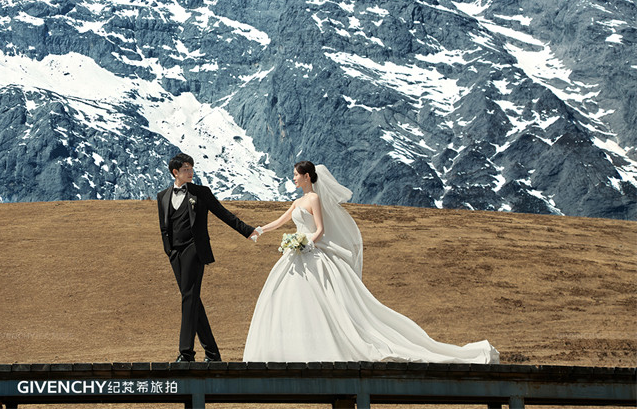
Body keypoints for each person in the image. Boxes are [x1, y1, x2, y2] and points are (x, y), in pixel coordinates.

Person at [243, 160, 499, 364]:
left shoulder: (314, 200)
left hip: (310, 252)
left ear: (307, 176)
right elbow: (282, 221)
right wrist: (260, 230)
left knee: (324, 301)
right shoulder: (297, 201)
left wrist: (306, 243)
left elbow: (320, 229)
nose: (293, 178)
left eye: (296, 175)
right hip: (296, 255)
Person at [157, 152, 260, 362]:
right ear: (175, 172)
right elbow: (164, 227)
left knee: (188, 298)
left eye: (191, 169)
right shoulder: (162, 196)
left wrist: (248, 231)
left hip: (194, 249)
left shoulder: (201, 193)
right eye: (186, 169)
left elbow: (222, 213)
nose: (190, 172)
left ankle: (186, 353)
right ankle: (212, 354)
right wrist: (169, 250)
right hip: (175, 253)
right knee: (192, 299)